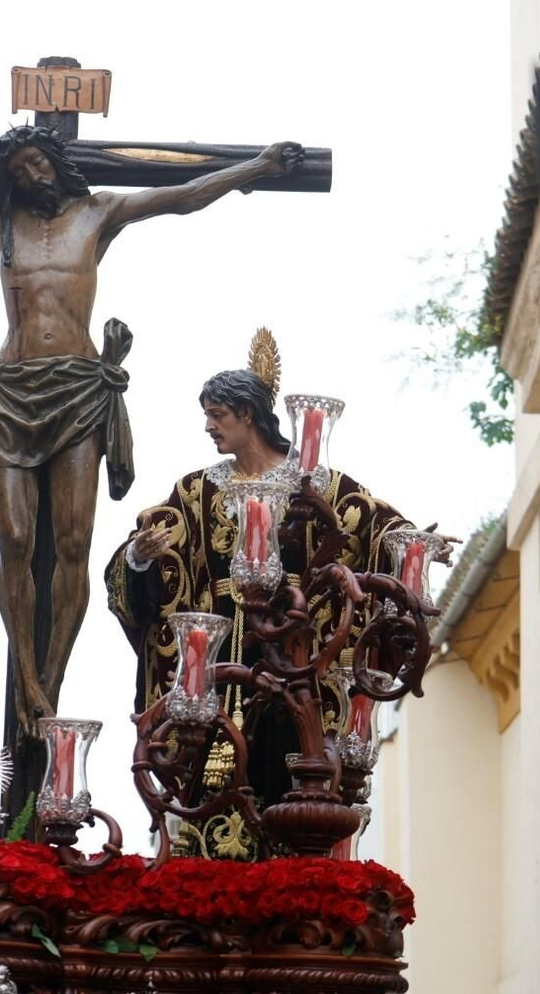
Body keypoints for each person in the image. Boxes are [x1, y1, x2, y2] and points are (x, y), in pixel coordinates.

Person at [0, 121, 304, 774]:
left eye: (39, 163)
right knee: (13, 540)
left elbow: (184, 195)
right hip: (13, 389)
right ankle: (28, 678)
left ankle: (52, 678)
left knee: (72, 542)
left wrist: (258, 166)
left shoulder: (99, 212)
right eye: (19, 169)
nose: (31, 176)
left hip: (77, 391)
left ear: (58, 162)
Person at [103, 334, 430, 860]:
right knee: (210, 793)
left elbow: (376, 528)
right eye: (207, 416)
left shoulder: (318, 484)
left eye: (217, 415)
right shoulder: (195, 492)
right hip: (219, 664)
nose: (208, 427)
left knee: (297, 777)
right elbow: (141, 564)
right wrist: (139, 558)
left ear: (249, 414)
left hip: (299, 660)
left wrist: (413, 553)